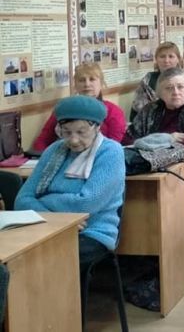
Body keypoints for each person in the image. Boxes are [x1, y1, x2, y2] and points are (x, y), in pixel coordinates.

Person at [16, 96, 125, 267]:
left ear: (97, 127)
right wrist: (57, 219)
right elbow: (22, 200)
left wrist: (44, 200)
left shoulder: (110, 152)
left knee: (42, 261)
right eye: (66, 132)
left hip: (91, 231)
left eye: (81, 132)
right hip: (47, 226)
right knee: (14, 257)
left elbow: (86, 204)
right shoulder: (53, 150)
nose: (73, 140)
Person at [125, 67, 184, 255]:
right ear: (160, 92)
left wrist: (148, 143)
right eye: (169, 88)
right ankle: (145, 254)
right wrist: (168, 138)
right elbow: (127, 139)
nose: (175, 92)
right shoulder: (150, 110)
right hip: (147, 169)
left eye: (180, 87)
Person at [33, 63, 126, 150]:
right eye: (82, 80)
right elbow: (43, 140)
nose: (87, 84)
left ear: (101, 83)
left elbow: (113, 145)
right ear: (75, 85)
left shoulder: (114, 112)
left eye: (92, 79)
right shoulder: (64, 109)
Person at [130, 41, 184, 121]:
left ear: (178, 59)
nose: (166, 60)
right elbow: (137, 109)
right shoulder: (148, 80)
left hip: (183, 121)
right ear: (156, 59)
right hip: (152, 123)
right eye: (162, 56)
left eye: (171, 56)